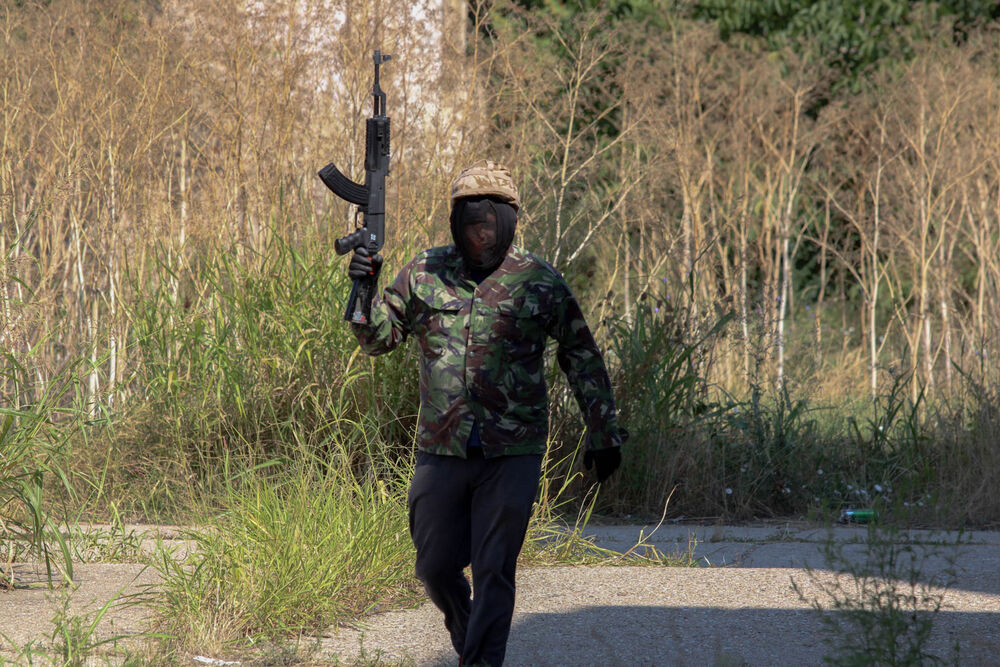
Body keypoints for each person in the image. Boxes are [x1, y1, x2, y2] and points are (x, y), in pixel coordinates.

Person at [347, 160, 625, 666]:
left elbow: (581, 354)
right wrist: (362, 288)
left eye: (491, 222)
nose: (481, 232)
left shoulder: (538, 280)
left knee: (494, 569)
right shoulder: (425, 272)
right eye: (472, 221)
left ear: (511, 220)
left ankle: (480, 661)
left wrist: (603, 431)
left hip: (513, 450)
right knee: (433, 567)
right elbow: (377, 340)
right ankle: (468, 634)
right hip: (442, 446)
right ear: (456, 220)